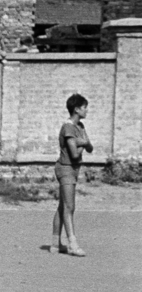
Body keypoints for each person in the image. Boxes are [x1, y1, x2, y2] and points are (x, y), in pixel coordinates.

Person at [53, 92, 92, 257]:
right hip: (66, 168)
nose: (86, 111)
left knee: (63, 206)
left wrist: (82, 143)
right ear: (76, 109)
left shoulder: (80, 127)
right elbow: (75, 154)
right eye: (84, 108)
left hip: (74, 169)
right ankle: (73, 244)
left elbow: (90, 147)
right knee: (70, 207)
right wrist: (83, 142)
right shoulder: (68, 127)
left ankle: (55, 245)